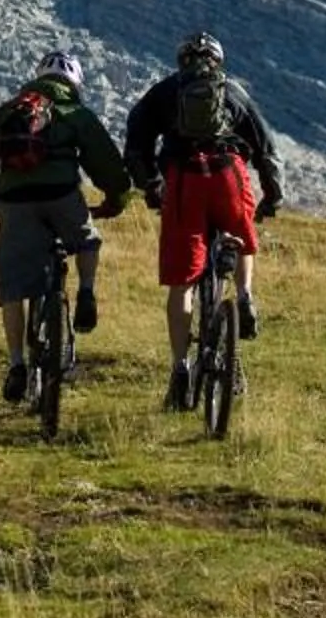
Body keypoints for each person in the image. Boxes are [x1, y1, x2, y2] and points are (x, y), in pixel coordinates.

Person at [120, 31, 282, 412]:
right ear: (218, 61)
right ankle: (244, 295)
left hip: (184, 181)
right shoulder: (232, 92)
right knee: (241, 234)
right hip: (228, 175)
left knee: (183, 282)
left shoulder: (164, 92)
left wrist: (151, 186)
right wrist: (272, 195)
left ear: (182, 61)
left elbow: (136, 143)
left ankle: (180, 368)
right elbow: (266, 146)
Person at [0, 48, 129, 405]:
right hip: (61, 195)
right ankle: (86, 292)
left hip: (16, 202)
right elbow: (107, 164)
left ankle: (16, 365)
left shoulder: (9, 110)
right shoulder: (75, 113)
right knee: (87, 240)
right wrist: (116, 200)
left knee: (12, 285)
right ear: (75, 83)